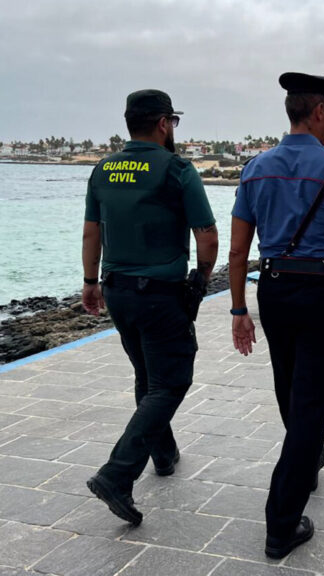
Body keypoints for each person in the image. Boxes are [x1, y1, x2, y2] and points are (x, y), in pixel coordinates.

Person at [229, 68, 324, 560]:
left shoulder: (256, 168)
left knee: (288, 383)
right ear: (318, 111)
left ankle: (306, 454)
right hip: (322, 293)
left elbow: (237, 252)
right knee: (311, 402)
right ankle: (281, 523)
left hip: (274, 289)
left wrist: (239, 308)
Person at [81, 89, 218, 526]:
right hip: (160, 295)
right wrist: (199, 281)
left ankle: (164, 453)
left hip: (116, 291)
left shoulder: (103, 170)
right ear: (163, 123)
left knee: (147, 375)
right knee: (171, 381)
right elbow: (208, 237)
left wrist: (89, 282)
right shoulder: (177, 169)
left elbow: (91, 234)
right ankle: (117, 474)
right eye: (173, 122)